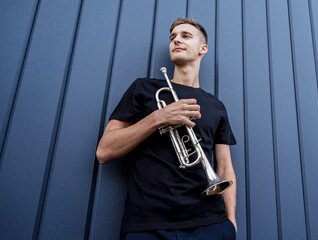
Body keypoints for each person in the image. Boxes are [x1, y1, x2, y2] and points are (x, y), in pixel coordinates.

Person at [96, 17, 237, 240]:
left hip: (209, 224)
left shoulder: (216, 106)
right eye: (173, 37)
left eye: (185, 35)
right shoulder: (144, 88)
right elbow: (104, 151)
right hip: (147, 225)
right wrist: (159, 118)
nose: (176, 40)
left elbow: (225, 168)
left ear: (203, 48)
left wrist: (231, 223)